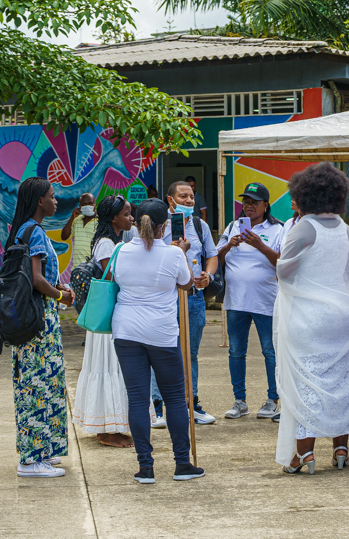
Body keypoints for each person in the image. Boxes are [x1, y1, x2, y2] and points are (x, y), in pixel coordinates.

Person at [274, 163, 349, 474]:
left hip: (310, 320)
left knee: (307, 383)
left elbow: (283, 271)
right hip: (344, 317)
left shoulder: (303, 227)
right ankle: (341, 449)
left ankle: (304, 455)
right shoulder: (344, 228)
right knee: (341, 383)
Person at [110, 199, 205, 484]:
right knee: (175, 397)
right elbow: (187, 285)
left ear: (138, 223)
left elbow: (116, 279)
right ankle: (182, 463)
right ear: (164, 226)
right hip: (162, 332)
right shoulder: (174, 254)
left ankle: (145, 467)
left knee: (138, 398)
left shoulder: (120, 250)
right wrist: (183, 252)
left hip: (126, 330)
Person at [8, 177, 75, 478]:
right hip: (38, 319)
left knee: (44, 382)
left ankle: (42, 450)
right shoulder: (33, 232)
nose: (56, 200)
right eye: (51, 195)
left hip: (38, 314)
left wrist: (58, 288)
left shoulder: (26, 229)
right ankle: (30, 460)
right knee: (36, 385)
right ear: (39, 201)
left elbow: (39, 276)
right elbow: (36, 279)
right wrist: (61, 295)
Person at [72, 195, 135, 448]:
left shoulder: (114, 240)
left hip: (111, 314)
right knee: (107, 366)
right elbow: (113, 277)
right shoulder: (108, 244)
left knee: (112, 367)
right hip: (107, 317)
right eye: (127, 214)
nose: (131, 218)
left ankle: (110, 426)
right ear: (113, 218)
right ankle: (106, 431)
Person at [216, 182, 284, 420]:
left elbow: (282, 263)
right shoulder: (233, 226)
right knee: (236, 352)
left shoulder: (278, 229)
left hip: (266, 301)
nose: (249, 205)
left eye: (254, 202)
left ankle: (273, 400)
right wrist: (228, 245)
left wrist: (260, 245)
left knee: (270, 351)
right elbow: (217, 260)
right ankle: (239, 401)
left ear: (266, 205)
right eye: (245, 201)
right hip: (236, 301)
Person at [159, 180, 219, 425]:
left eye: (192, 197)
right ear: (170, 200)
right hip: (164, 300)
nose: (189, 201)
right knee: (162, 352)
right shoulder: (158, 225)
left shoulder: (199, 224)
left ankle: (190, 403)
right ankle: (158, 407)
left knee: (190, 353)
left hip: (193, 299)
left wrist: (209, 275)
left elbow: (212, 255)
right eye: (183, 196)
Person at [60, 193, 98, 269]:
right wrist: (72, 218)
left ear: (95, 204)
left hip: (92, 269)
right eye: (84, 204)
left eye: (90, 203)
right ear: (80, 207)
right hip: (76, 268)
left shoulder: (100, 222)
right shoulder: (77, 220)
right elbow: (64, 236)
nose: (87, 206)